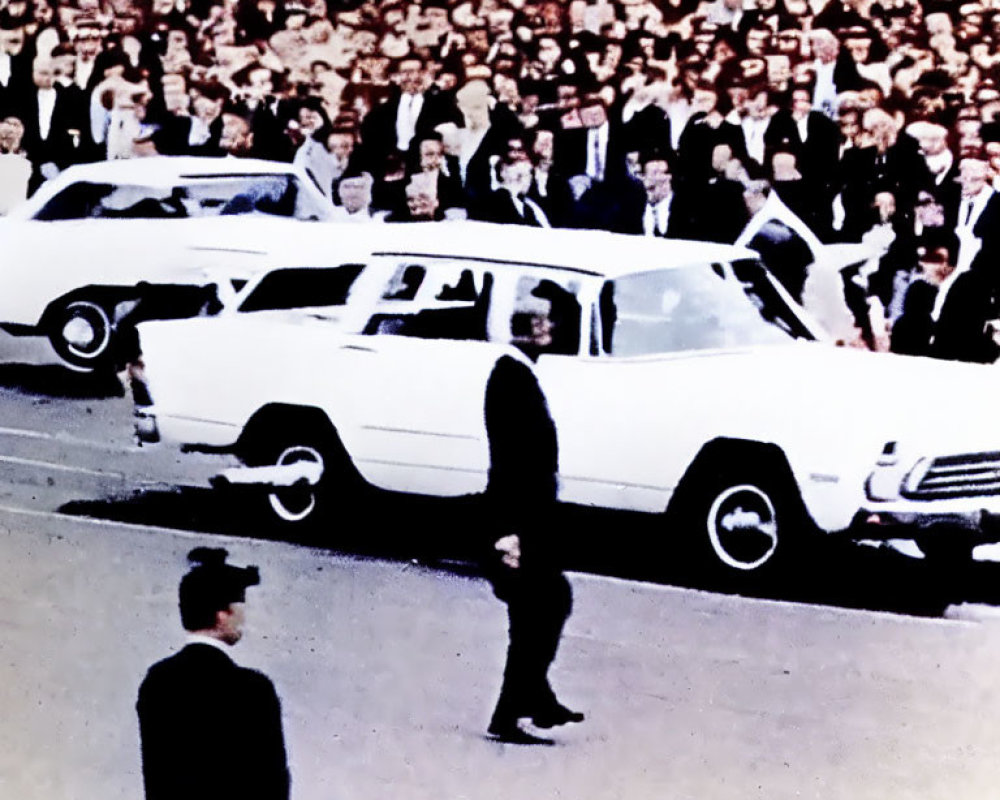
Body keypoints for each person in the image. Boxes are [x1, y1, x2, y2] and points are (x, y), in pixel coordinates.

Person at [483, 283, 584, 746]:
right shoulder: (511, 379)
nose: (549, 329)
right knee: (541, 607)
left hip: (530, 519)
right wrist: (509, 533)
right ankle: (517, 708)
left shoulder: (520, 375)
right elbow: (510, 460)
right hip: (518, 521)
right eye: (540, 323)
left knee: (542, 607)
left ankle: (526, 701)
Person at [136, 547, 290, 800]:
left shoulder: (157, 681)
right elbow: (272, 782)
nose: (242, 618)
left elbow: (155, 776)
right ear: (222, 615)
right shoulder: (253, 688)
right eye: (238, 608)